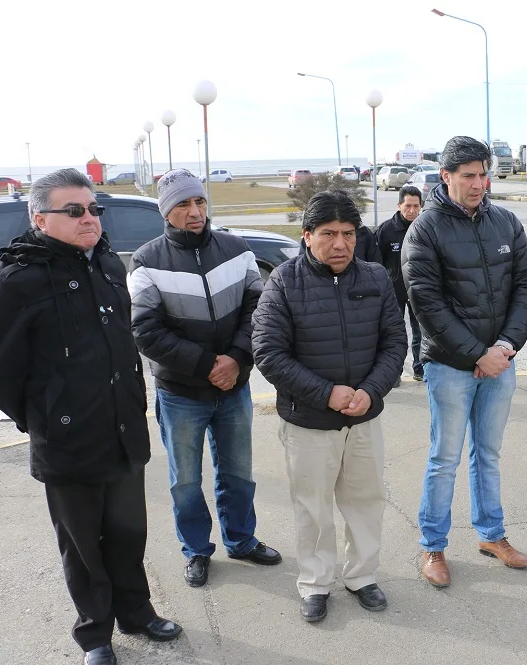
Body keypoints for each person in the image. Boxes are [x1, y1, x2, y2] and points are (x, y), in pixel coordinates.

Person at [0, 168, 181, 665]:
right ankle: (95, 634)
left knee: (127, 532)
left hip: (122, 431)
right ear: (40, 217)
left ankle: (136, 612)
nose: (89, 218)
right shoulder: (18, 281)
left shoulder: (108, 267)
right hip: (67, 442)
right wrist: (43, 416)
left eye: (94, 208)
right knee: (82, 546)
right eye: (73, 210)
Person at [252, 190, 406, 622]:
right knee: (313, 507)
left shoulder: (375, 278)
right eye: (328, 234)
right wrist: (326, 393)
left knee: (366, 500)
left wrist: (371, 391)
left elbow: (395, 343)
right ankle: (316, 583)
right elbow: (267, 352)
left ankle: (362, 576)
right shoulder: (283, 281)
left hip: (363, 418)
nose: (340, 244)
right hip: (309, 422)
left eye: (348, 234)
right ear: (306, 236)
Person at [128, 169, 282, 590]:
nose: (194, 211)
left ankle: (241, 539)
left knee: (238, 474)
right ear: (166, 212)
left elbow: (260, 308)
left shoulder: (237, 249)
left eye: (198, 202)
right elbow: (145, 330)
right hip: (180, 393)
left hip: (234, 387)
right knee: (185, 481)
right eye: (182, 205)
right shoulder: (147, 260)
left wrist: (234, 359)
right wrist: (205, 365)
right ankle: (196, 550)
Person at [402, 136, 527, 588]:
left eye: (484, 174)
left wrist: (505, 346)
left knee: (489, 454)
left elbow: (525, 285)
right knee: (445, 457)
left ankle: (491, 535)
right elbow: (426, 303)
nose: (479, 184)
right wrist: (476, 354)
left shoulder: (506, 223)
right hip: (449, 365)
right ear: (446, 177)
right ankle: (433, 546)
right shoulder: (425, 229)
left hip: (500, 360)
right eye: (469, 176)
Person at [375, 185, 424, 383]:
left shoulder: (425, 227)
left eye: (416, 206)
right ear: (399, 205)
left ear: (421, 206)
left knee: (421, 333)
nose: (412, 210)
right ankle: (394, 373)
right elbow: (375, 262)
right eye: (407, 206)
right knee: (394, 335)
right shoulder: (386, 230)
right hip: (393, 292)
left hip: (420, 291)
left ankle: (420, 368)